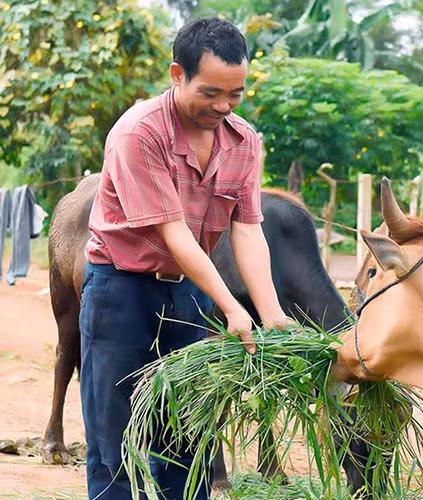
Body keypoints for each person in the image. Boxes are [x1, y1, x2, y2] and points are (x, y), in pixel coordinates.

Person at [79, 16, 289, 500]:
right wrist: (234, 309)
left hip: (190, 293)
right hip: (121, 289)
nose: (223, 106)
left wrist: (271, 313)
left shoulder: (245, 141)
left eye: (235, 94)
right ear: (177, 75)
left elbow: (248, 228)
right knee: (116, 440)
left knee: (189, 435)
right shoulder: (139, 133)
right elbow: (172, 232)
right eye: (211, 92)